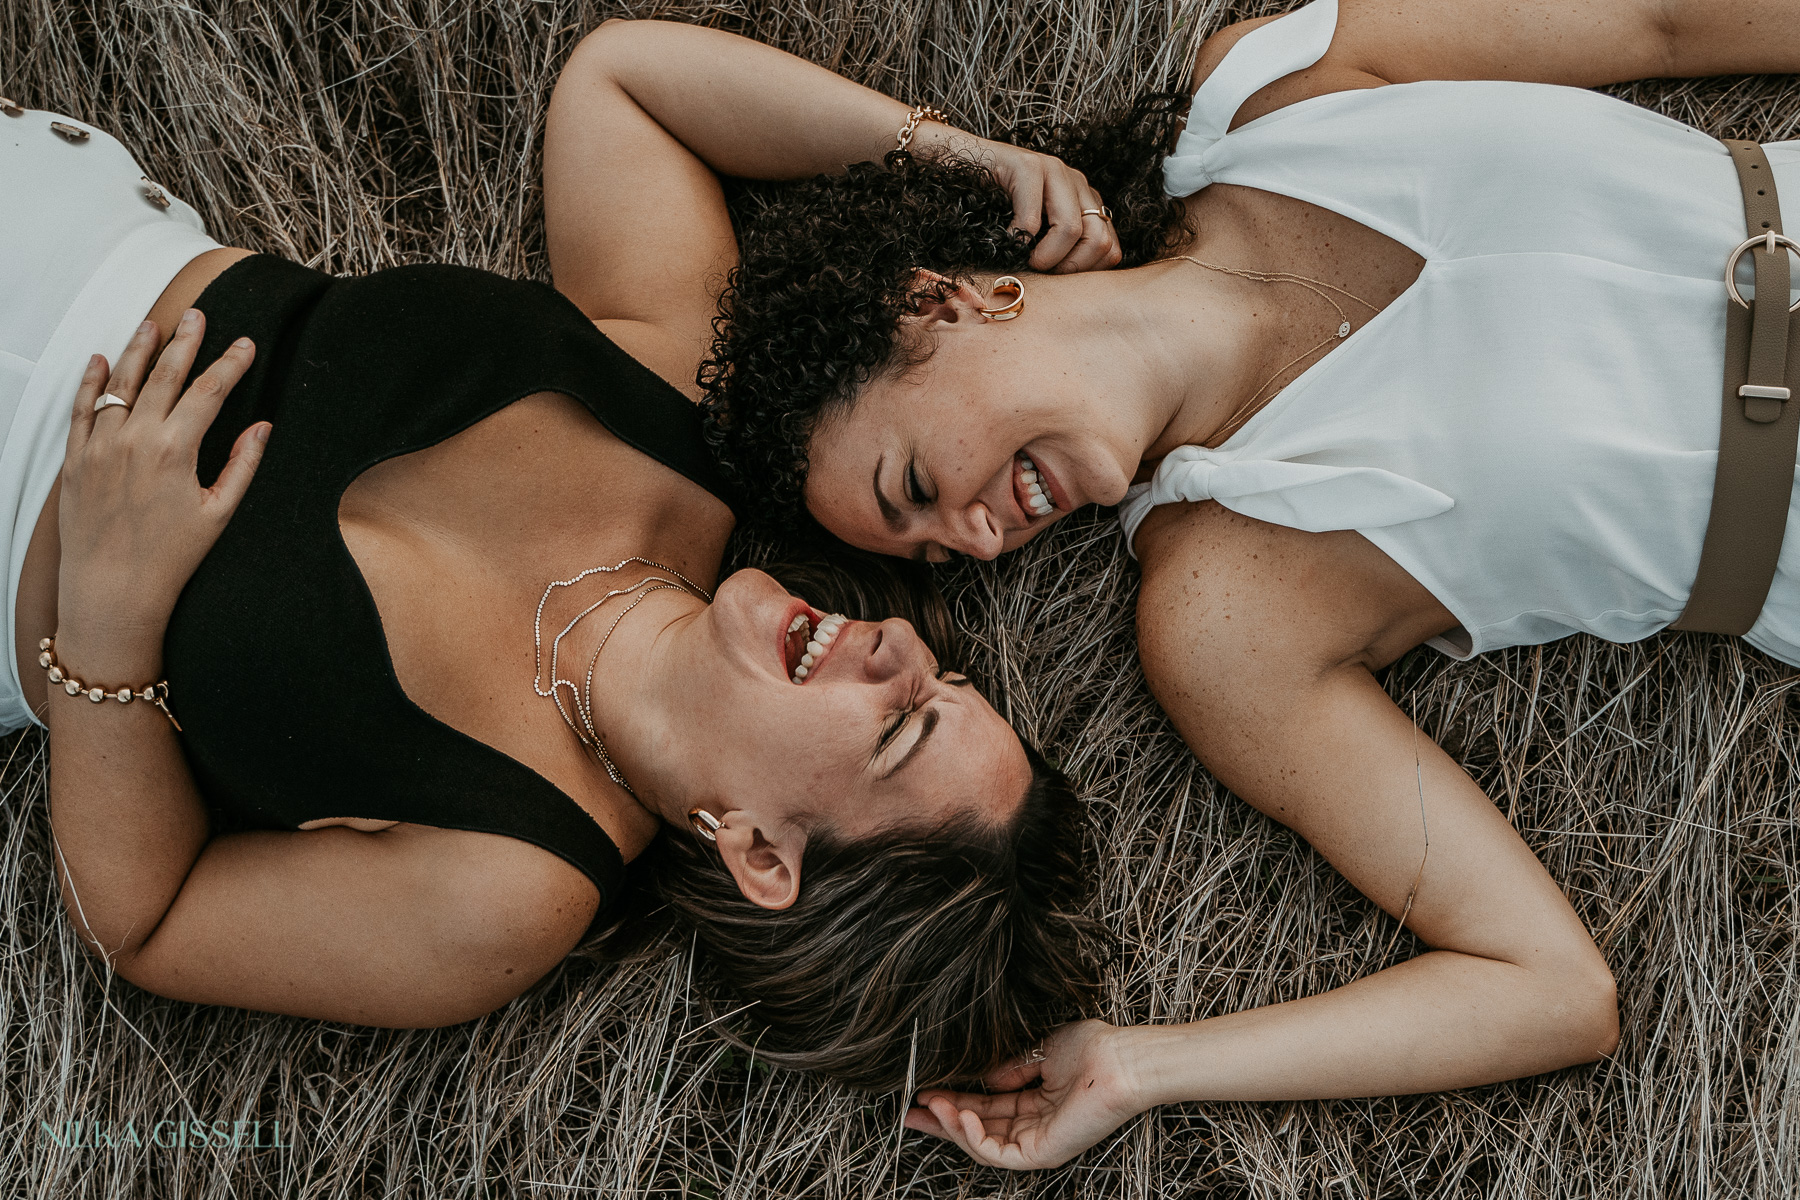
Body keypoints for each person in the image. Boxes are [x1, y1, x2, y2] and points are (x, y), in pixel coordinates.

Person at [700, 0, 1800, 1162]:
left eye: (916, 483)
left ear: (939, 302)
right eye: (932, 555)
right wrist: (1138, 1067)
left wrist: (965, 151)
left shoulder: (1274, 90)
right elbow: (1548, 987)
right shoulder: (1227, 612)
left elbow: (1661, 24)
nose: (975, 540)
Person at [0, 18, 1122, 1091]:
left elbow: (146, 919)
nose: (891, 646)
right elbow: (624, 85)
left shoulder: (504, 892)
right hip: (56, 222)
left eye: (901, 722)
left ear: (765, 857)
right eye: (942, 673)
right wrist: (970, 160)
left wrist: (104, 614)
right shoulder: (691, 417)